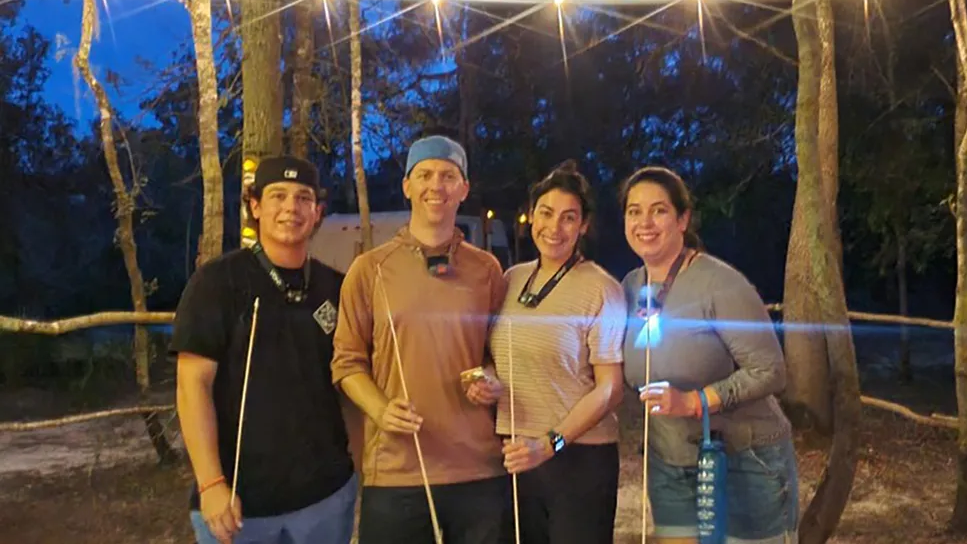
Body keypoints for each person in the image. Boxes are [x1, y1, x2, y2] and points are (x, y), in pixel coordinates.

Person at [331, 134, 511, 544]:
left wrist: (490, 377)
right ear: (406, 185)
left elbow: (499, 354)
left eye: (448, 176)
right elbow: (346, 361)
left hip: (477, 469)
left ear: (463, 189)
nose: (437, 185)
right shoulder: (370, 269)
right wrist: (380, 409)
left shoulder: (486, 270)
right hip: (398, 470)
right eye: (425, 174)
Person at [170, 155, 358, 544]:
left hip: (325, 497)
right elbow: (192, 387)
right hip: (240, 503)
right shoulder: (216, 283)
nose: (291, 207)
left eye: (303, 198)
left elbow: (350, 382)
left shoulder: (337, 288)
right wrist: (210, 484)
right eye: (278, 196)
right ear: (255, 206)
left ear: (318, 212)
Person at [619, 166, 799, 544]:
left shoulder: (719, 282)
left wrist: (695, 401)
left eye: (659, 210)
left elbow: (770, 370)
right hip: (670, 461)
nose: (644, 222)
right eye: (634, 211)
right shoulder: (631, 286)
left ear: (683, 218)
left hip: (742, 458)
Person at [468, 160, 626, 544]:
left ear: (584, 225)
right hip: (517, 453)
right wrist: (484, 379)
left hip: (577, 457)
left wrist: (551, 443)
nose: (554, 228)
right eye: (546, 213)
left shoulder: (601, 289)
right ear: (531, 214)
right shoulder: (512, 278)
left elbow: (609, 389)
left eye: (569, 218)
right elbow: (496, 355)